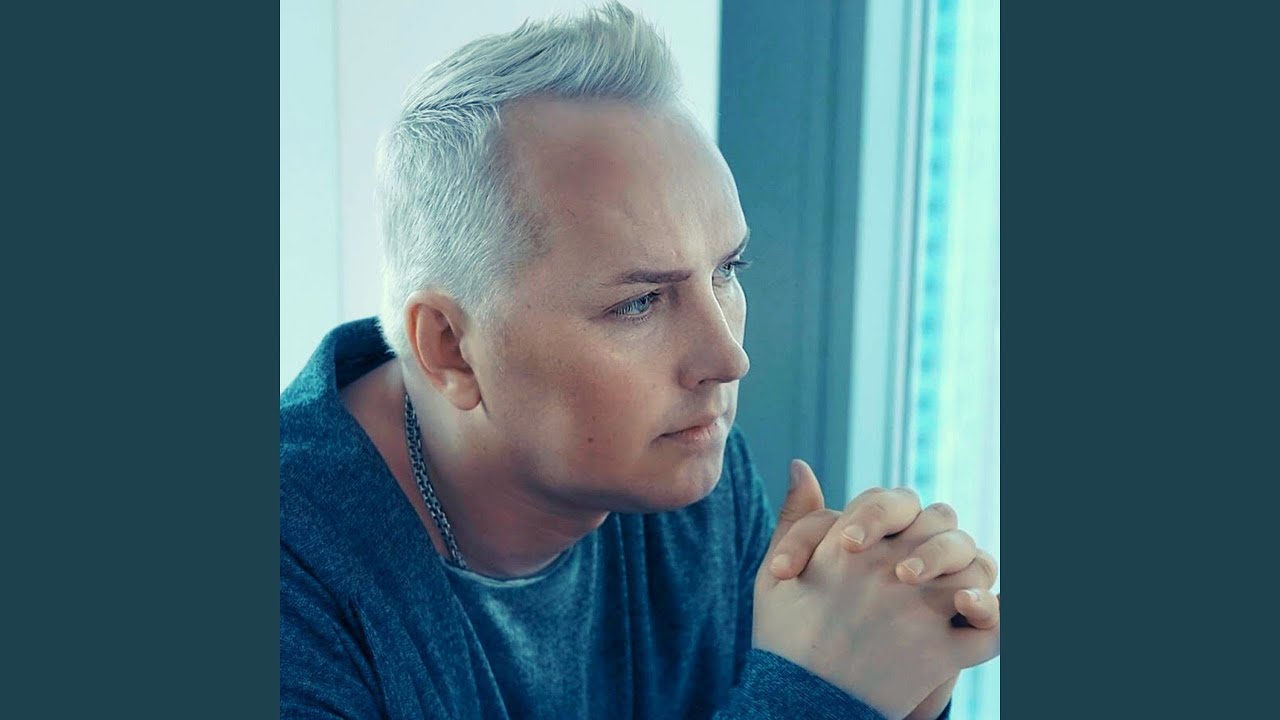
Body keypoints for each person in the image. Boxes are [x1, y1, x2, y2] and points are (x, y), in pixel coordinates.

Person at [280, 3, 1000, 718]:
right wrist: (819, 694)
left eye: (727, 271)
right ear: (450, 347)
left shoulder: (684, 474)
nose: (728, 359)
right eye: (639, 303)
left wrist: (894, 681)